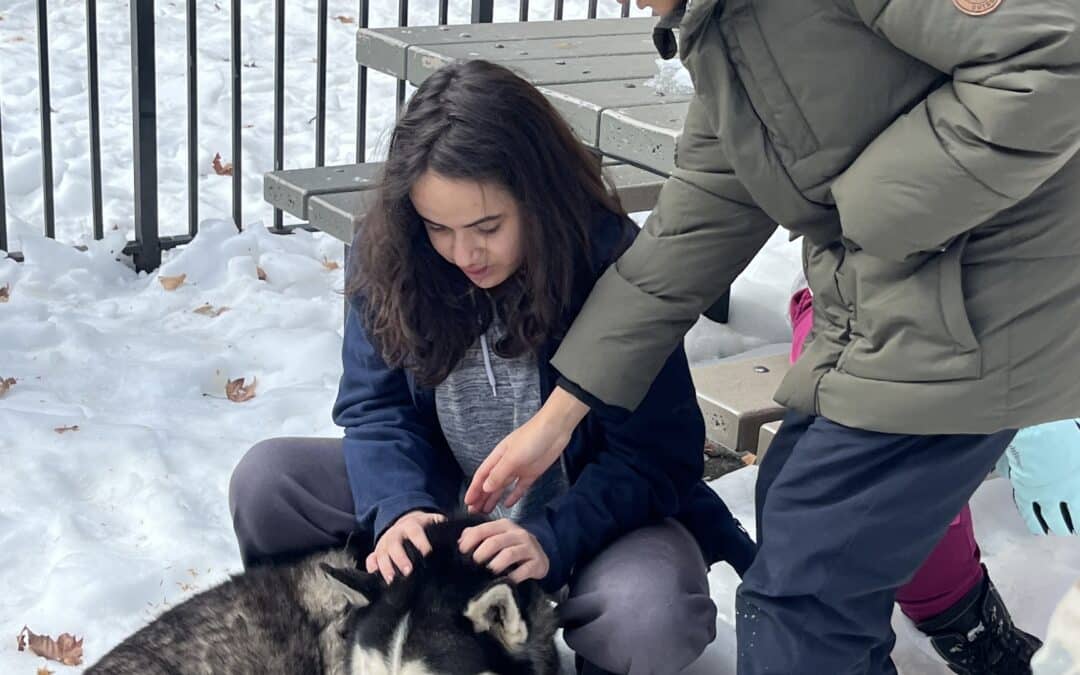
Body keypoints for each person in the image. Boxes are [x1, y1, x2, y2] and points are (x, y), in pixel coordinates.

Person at [465, 0, 1080, 673]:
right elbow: (697, 219)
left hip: (987, 302)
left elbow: (1052, 58)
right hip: (893, 300)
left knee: (805, 591)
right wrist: (560, 413)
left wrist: (865, 204)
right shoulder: (724, 25)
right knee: (794, 513)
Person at [228, 60, 756, 675]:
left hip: (591, 515)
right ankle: (348, 642)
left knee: (648, 615)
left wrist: (552, 539)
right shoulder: (390, 255)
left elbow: (661, 454)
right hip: (445, 495)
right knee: (267, 483)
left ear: (539, 199)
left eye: (487, 226)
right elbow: (375, 409)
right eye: (438, 228)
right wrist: (397, 508)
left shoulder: (611, 261)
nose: (463, 252)